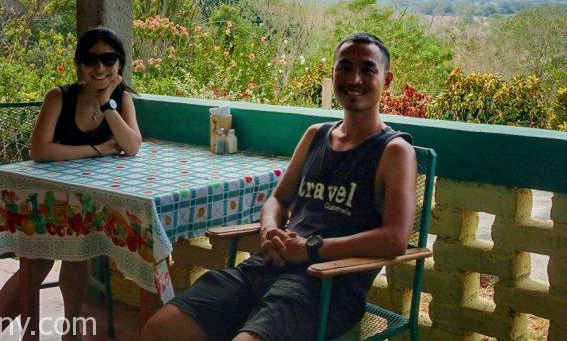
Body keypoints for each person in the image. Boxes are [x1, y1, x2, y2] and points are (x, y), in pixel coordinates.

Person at [143, 32, 417, 341]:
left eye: (367, 69)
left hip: (325, 286)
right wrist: (269, 230)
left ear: (387, 79)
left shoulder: (393, 151)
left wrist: (311, 249)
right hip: (266, 267)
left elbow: (395, 239)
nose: (354, 78)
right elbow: (279, 199)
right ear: (332, 73)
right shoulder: (316, 136)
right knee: (160, 329)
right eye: (344, 67)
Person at [0, 26, 143, 341]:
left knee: (78, 250)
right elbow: (40, 150)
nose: (99, 68)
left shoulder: (121, 100)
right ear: (79, 64)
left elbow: (132, 145)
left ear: (119, 64)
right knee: (37, 265)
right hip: (43, 200)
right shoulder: (59, 97)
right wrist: (98, 149)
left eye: (108, 59)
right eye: (90, 59)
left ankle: (71, 330)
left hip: (86, 202)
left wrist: (108, 104)